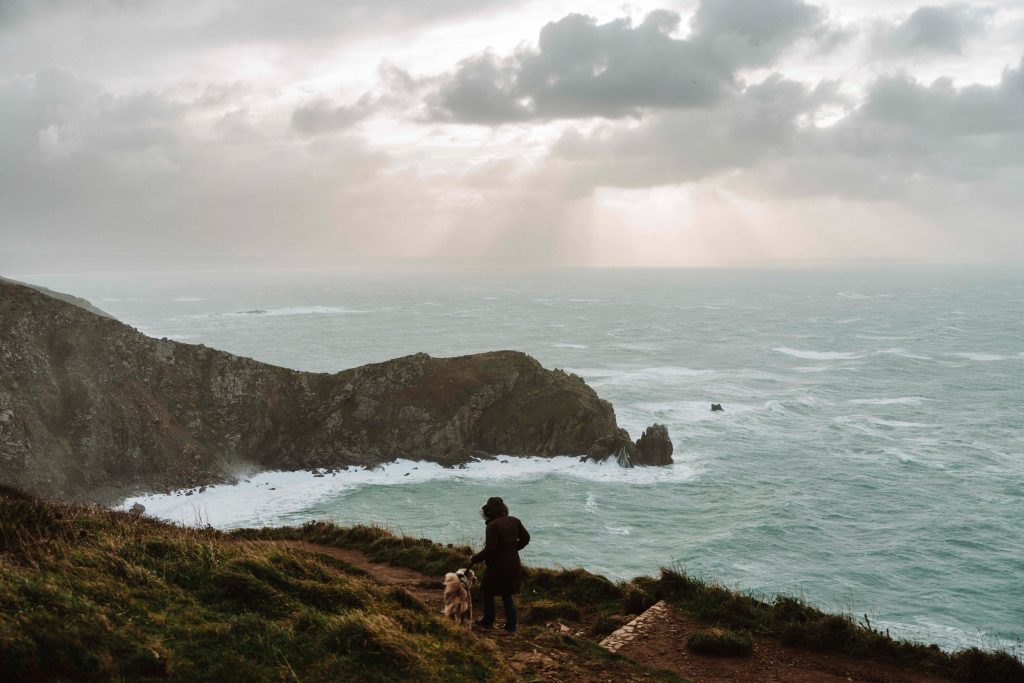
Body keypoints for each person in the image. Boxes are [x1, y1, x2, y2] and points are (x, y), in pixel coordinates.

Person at [468, 496, 530, 633]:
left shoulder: (492, 526)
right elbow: (526, 539)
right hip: (514, 564)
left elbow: (490, 549)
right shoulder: (515, 520)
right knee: (507, 595)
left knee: (487, 591)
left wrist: (474, 558)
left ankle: (488, 620)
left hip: (497, 567)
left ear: (490, 512)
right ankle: (511, 626)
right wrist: (513, 549)